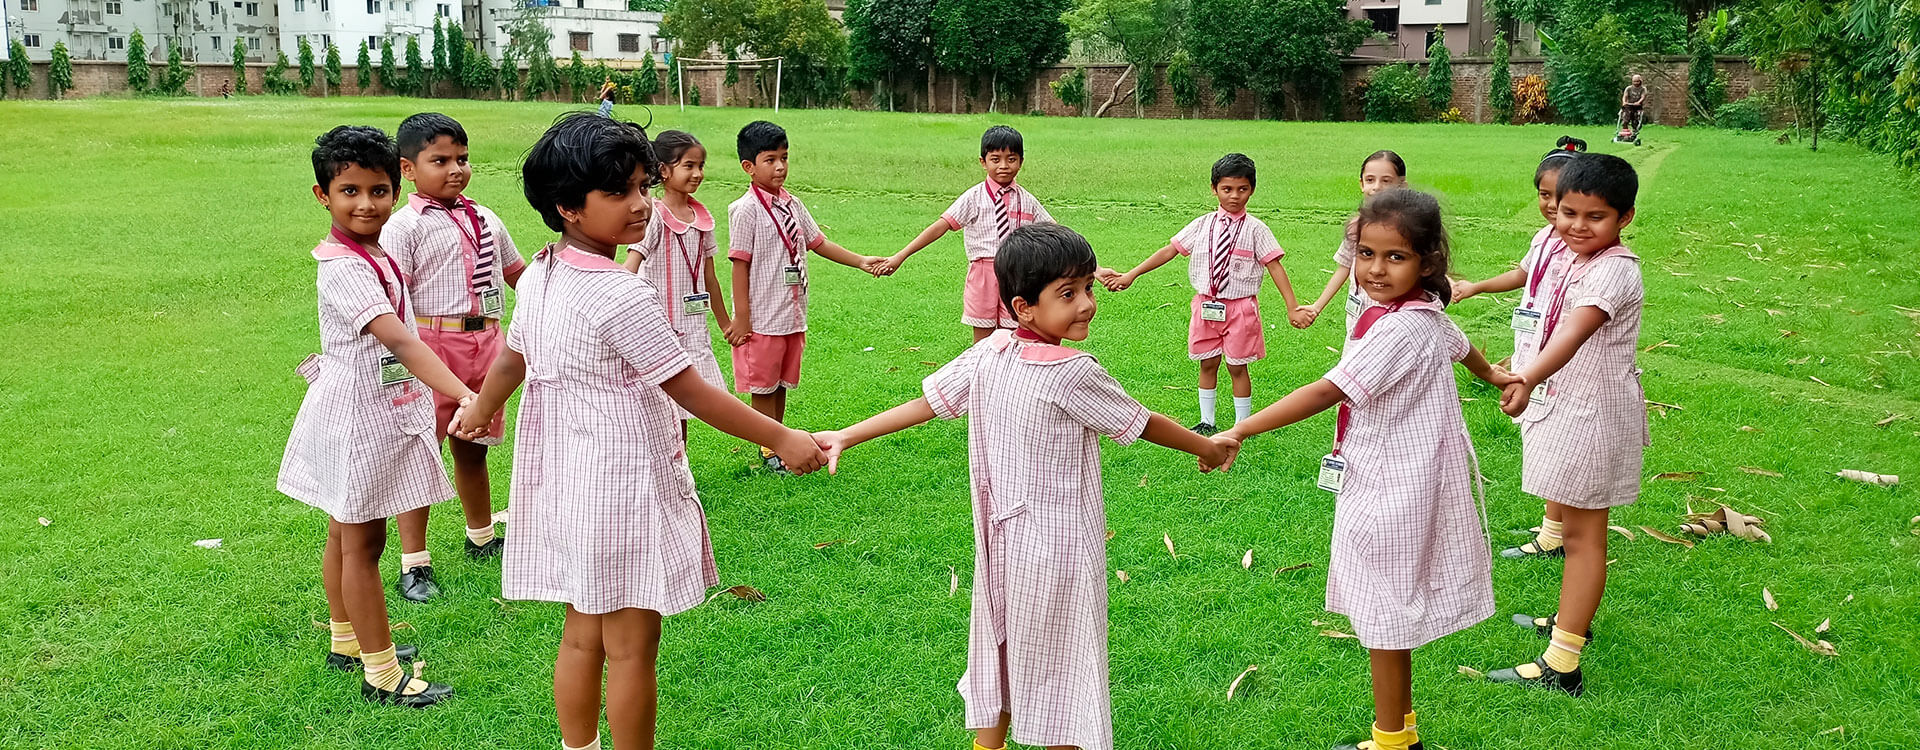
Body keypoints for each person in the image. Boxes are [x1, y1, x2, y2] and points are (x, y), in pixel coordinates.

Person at [451, 112, 827, 750]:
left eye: (642, 187)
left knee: (581, 633)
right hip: (620, 483)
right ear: (568, 206)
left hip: (564, 479)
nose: (640, 205)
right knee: (630, 647)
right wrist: (781, 437)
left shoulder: (541, 271)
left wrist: (483, 408)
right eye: (617, 192)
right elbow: (690, 390)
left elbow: (513, 358)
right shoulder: (621, 293)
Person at [814, 223, 1236, 750]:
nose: (1087, 304)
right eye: (1068, 293)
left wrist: (848, 434)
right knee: (1063, 665)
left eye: (1088, 288)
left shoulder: (991, 350)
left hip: (1002, 540)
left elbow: (929, 403)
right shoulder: (1072, 371)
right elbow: (1142, 421)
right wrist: (1205, 447)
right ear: (1023, 307)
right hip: (1060, 549)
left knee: (998, 646)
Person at [1218, 189, 1516, 750]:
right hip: (1405, 474)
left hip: (1390, 485)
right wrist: (1495, 375)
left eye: (1395, 257)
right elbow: (1461, 345)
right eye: (1366, 254)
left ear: (1427, 262)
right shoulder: (1419, 312)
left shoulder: (1399, 329)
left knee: (1384, 612)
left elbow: (1327, 390)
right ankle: (1402, 731)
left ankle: (1391, 741)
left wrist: (1242, 429)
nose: (1375, 269)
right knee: (1389, 608)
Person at [279, 125, 472, 707]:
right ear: (323, 196)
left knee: (345, 532)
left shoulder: (373, 252)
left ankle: (347, 641)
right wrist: (464, 394)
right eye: (350, 191)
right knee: (362, 544)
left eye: (379, 190)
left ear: (396, 189)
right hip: (358, 415)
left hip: (365, 409)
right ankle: (383, 674)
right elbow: (403, 342)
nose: (366, 204)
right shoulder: (344, 266)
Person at [1485, 153, 1648, 698]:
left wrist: (1526, 377)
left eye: (1594, 217)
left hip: (1590, 416)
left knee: (1583, 539)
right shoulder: (1567, 251)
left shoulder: (1614, 270)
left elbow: (1574, 330)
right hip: (1565, 407)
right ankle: (1570, 622)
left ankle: (1563, 663)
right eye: (1568, 212)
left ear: (1624, 217)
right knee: (1578, 532)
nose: (1576, 225)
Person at [378, 112, 524, 602]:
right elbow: (391, 298)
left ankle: (481, 536)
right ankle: (413, 563)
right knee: (422, 452)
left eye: (462, 158)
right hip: (431, 346)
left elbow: (515, 272)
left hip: (488, 344)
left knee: (473, 443)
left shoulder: (486, 218)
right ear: (408, 169)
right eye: (439, 160)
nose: (456, 169)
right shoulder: (404, 227)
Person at [1095, 153, 1305, 436]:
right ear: (1214, 188)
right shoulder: (1202, 224)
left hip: (1240, 309)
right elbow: (1170, 250)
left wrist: (1292, 307)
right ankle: (1207, 421)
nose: (1234, 196)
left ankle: (1243, 425)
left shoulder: (1257, 230)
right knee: (1207, 363)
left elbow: (1275, 266)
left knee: (1237, 367)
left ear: (1252, 190)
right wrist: (1131, 274)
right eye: (1227, 189)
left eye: (1242, 189)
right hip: (1205, 306)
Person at [724, 120, 886, 474]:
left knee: (780, 383)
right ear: (749, 166)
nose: (780, 167)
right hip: (763, 315)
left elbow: (818, 242)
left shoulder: (792, 204)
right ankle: (769, 451)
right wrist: (742, 317)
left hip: (791, 313)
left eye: (784, 158)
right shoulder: (745, 210)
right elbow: (739, 265)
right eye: (770, 160)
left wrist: (860, 261)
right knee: (763, 387)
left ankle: (777, 442)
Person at [1452, 137, 1584, 561]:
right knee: (1543, 442)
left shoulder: (1581, 247)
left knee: (1555, 447)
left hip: (1562, 361)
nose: (1552, 204)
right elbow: (1524, 274)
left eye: (1561, 196)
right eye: (1544, 194)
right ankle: (1553, 526)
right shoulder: (1544, 237)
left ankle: (1555, 536)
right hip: (1535, 352)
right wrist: (1476, 287)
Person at [875, 125, 1056, 342]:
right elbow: (940, 227)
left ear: (1021, 161)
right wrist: (900, 256)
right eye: (995, 159)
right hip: (983, 275)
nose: (1004, 166)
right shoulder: (973, 197)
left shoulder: (1027, 200)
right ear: (983, 162)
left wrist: (1086, 267)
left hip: (1016, 275)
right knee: (982, 341)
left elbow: (1056, 234)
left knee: (1014, 337)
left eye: (1011, 159)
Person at [623, 130, 730, 438]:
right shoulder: (654, 215)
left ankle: (679, 461)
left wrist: (726, 324)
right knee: (662, 404)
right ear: (664, 170)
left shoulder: (702, 218)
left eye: (701, 166)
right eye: (688, 166)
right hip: (659, 328)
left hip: (693, 329)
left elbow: (710, 277)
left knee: (685, 405)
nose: (697, 173)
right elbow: (632, 263)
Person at [1295, 151, 1407, 334]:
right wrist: (1317, 307)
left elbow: (1426, 264)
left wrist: (1449, 284)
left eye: (1386, 181)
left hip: (1394, 316)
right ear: (1361, 184)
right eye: (1370, 180)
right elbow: (1344, 266)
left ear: (1402, 185)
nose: (1377, 187)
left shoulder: (1409, 229)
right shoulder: (1355, 226)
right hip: (1358, 314)